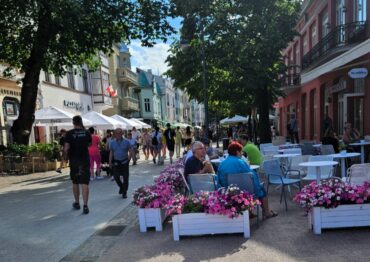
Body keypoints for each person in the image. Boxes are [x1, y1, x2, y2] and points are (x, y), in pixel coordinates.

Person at [217, 142, 277, 219]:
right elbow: (252, 177)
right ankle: (266, 212)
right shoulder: (242, 163)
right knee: (261, 189)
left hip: (229, 192)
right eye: (241, 151)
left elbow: (219, 181)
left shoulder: (222, 164)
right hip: (244, 192)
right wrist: (258, 188)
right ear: (237, 152)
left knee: (248, 187)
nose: (242, 154)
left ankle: (249, 213)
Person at [63, 116, 92, 214]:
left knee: (75, 182)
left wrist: (65, 158)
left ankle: (77, 202)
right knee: (85, 183)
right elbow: (89, 145)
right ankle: (85, 205)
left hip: (74, 161)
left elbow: (66, 147)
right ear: (81, 122)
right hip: (84, 160)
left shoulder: (69, 133)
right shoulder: (87, 133)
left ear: (73, 122)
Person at [109, 128, 131, 198]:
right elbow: (111, 152)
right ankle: (121, 187)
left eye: (119, 133)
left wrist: (129, 159)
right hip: (116, 163)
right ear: (115, 134)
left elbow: (130, 151)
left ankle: (124, 192)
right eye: (117, 133)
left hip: (124, 162)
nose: (118, 134)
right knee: (116, 177)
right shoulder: (112, 142)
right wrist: (109, 162)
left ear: (122, 134)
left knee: (125, 178)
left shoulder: (127, 142)